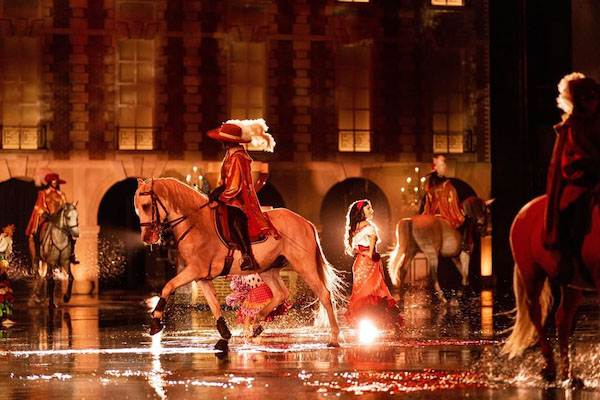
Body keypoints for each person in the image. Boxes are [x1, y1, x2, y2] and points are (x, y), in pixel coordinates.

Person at [544, 73, 600, 281]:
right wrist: (592, 166)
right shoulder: (571, 127)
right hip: (581, 180)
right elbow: (571, 159)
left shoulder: (597, 122)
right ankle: (567, 259)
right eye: (589, 99)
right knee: (573, 212)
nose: (594, 103)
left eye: (595, 98)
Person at [207, 119, 277, 271]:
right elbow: (224, 179)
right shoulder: (229, 154)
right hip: (228, 194)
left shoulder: (239, 156)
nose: (222, 143)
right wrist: (217, 190)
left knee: (234, 217)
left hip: (238, 199)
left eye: (224, 140)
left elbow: (236, 185)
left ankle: (247, 256)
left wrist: (221, 195)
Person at [344, 200, 400, 330]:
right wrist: (370, 253)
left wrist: (364, 253)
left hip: (359, 262)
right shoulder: (368, 226)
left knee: (361, 293)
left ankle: (363, 320)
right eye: (369, 208)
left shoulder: (355, 227)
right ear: (361, 212)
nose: (371, 211)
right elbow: (373, 238)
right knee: (373, 291)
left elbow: (352, 248)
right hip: (368, 261)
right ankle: (375, 321)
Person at [26, 172, 79, 266]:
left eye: (56, 182)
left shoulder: (61, 195)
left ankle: (71, 254)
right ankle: (38, 253)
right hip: (47, 218)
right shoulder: (43, 194)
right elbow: (39, 207)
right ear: (49, 182)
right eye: (53, 181)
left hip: (59, 220)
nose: (54, 183)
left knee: (71, 233)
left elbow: (64, 207)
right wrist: (48, 215)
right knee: (39, 232)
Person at [422, 155, 470, 252]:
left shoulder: (429, 186)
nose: (445, 168)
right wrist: (458, 211)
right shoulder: (447, 185)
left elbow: (427, 203)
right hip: (445, 213)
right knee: (465, 220)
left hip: (432, 214)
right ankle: (464, 244)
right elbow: (452, 201)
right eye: (444, 166)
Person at [225, 274, 290, 336]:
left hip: (259, 286)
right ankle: (250, 329)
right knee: (250, 312)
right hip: (255, 287)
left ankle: (251, 328)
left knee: (252, 312)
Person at [0, 225, 16, 327]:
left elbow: (8, 251)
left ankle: (4, 316)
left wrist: (9, 235)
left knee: (4, 289)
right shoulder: (2, 237)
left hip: (2, 266)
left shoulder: (4, 238)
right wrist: (6, 234)